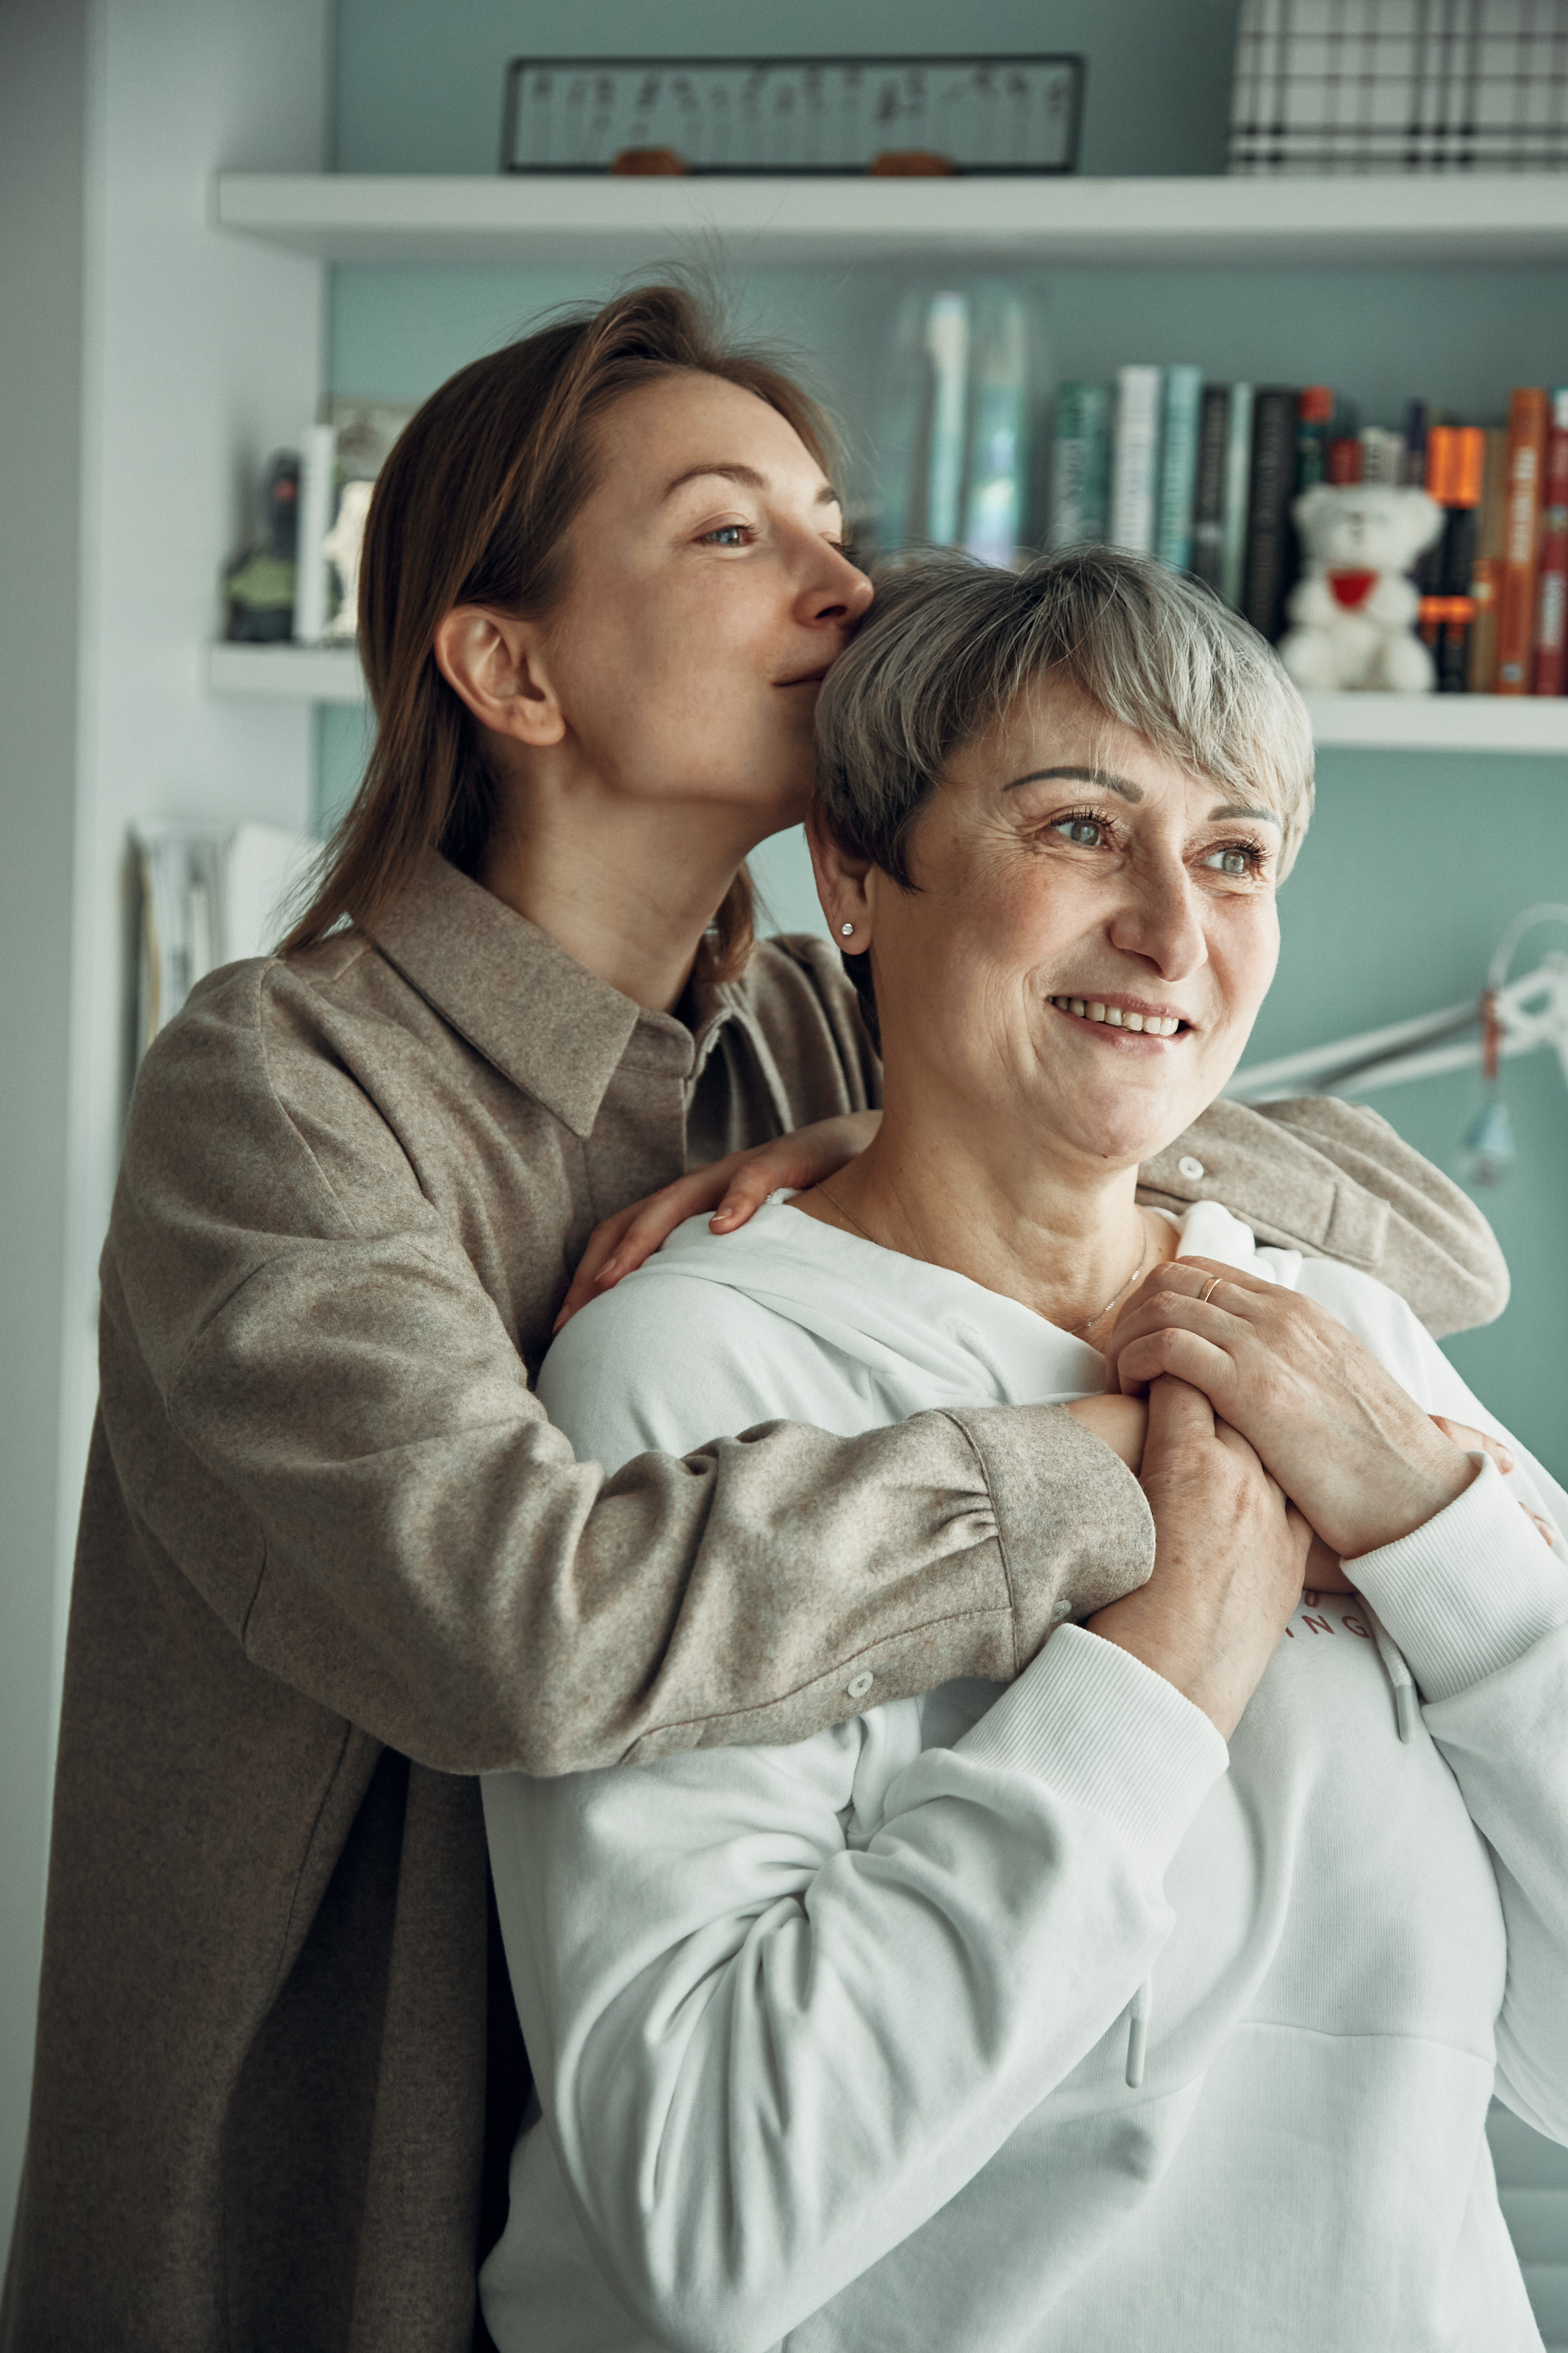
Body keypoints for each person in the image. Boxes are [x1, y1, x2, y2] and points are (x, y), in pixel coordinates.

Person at [1, 294, 1508, 2353]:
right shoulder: (284, 1084)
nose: (843, 582)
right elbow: (515, 1625)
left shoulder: (799, 1025)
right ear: (507, 663)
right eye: (733, 535)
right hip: (359, 2143)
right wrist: (1148, 1474)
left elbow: (1414, 1225)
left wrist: (926, 1143)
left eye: (832, 522)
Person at [479, 548, 1567, 2353]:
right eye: (1078, 828)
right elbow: (712, 2214)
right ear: (851, 874)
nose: (1170, 928)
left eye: (1231, 854)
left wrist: (1436, 1526)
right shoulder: (697, 1368)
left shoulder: (1340, 1343)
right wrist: (1165, 1668)